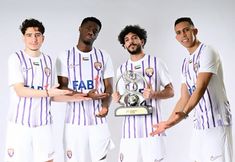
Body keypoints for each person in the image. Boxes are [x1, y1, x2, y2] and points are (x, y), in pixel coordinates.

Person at [151, 17, 233, 162]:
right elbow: (184, 97)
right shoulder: (185, 63)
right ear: (176, 37)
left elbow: (200, 88)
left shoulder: (208, 51)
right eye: (179, 32)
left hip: (217, 122)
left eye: (186, 30)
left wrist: (182, 114)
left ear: (194, 31)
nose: (183, 35)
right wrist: (168, 123)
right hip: (199, 124)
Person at [4, 18, 72, 162]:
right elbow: (20, 90)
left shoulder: (48, 60)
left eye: (37, 34)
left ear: (43, 38)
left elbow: (53, 95)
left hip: (43, 124)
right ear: (23, 38)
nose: (34, 39)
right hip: (20, 124)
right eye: (29, 35)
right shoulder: (15, 58)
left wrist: (77, 97)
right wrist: (47, 93)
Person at [56, 17, 115, 162]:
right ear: (80, 28)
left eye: (96, 30)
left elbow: (109, 87)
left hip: (98, 122)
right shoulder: (65, 56)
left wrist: (105, 107)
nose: (92, 31)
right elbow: (62, 87)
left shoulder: (104, 56)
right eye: (89, 27)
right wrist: (86, 95)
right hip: (74, 124)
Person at [112, 25, 174, 162]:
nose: (131, 41)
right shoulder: (122, 68)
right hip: (129, 133)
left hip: (153, 130)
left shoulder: (156, 62)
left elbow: (171, 91)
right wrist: (117, 98)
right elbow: (123, 98)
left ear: (142, 41)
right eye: (127, 40)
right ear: (124, 45)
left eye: (134, 38)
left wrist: (154, 94)